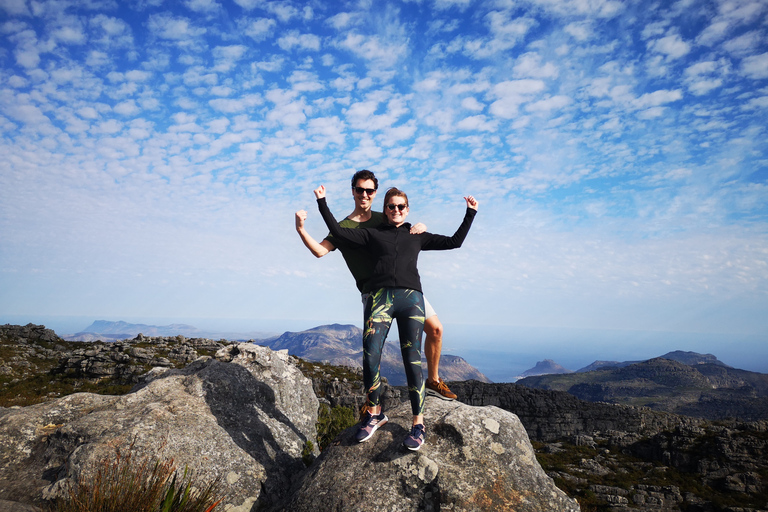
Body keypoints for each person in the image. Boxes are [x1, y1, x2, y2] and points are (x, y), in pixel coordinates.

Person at [314, 184, 478, 451]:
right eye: (391, 207)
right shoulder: (372, 234)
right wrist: (323, 203)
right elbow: (340, 232)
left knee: (412, 360)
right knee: (370, 354)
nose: (396, 210)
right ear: (386, 210)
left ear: (407, 209)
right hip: (380, 298)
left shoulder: (416, 235)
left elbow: (454, 242)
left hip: (411, 299)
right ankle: (375, 412)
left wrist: (470, 212)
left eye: (401, 206)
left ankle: (418, 424)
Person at [294, 170, 458, 400]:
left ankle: (433, 380)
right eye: (360, 190)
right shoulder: (344, 227)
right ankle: (372, 406)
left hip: (404, 288)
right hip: (373, 293)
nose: (364, 194)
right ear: (353, 192)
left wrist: (421, 226)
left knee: (436, 329)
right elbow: (320, 251)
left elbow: (407, 229)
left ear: (375, 193)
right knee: (374, 353)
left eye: (369, 190)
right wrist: (301, 229)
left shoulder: (386, 216)